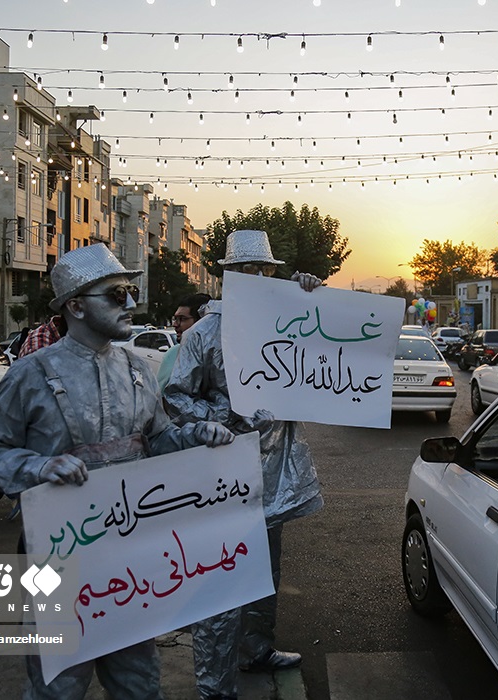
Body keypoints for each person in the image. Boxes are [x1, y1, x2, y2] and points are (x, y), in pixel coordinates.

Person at [0, 244, 234, 700]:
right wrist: (39, 465)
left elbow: (157, 439)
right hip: (57, 560)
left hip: (129, 562)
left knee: (139, 682)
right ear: (75, 305)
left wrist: (197, 436)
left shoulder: (137, 368)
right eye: (116, 294)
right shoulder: (31, 374)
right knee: (59, 686)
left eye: (131, 291)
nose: (131, 304)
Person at [164, 230, 324, 700]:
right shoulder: (203, 334)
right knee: (220, 584)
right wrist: (227, 417)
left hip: (272, 476)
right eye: (246, 271)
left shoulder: (286, 321)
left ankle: (257, 650)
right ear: (227, 275)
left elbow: (326, 365)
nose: (257, 278)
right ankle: (215, 687)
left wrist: (311, 300)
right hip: (221, 477)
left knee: (265, 573)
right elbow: (176, 397)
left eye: (264, 271)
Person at [156, 292, 211, 390]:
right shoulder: (173, 354)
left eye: (182, 319)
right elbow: (159, 396)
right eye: (175, 319)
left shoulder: (219, 357)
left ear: (202, 322)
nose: (175, 324)